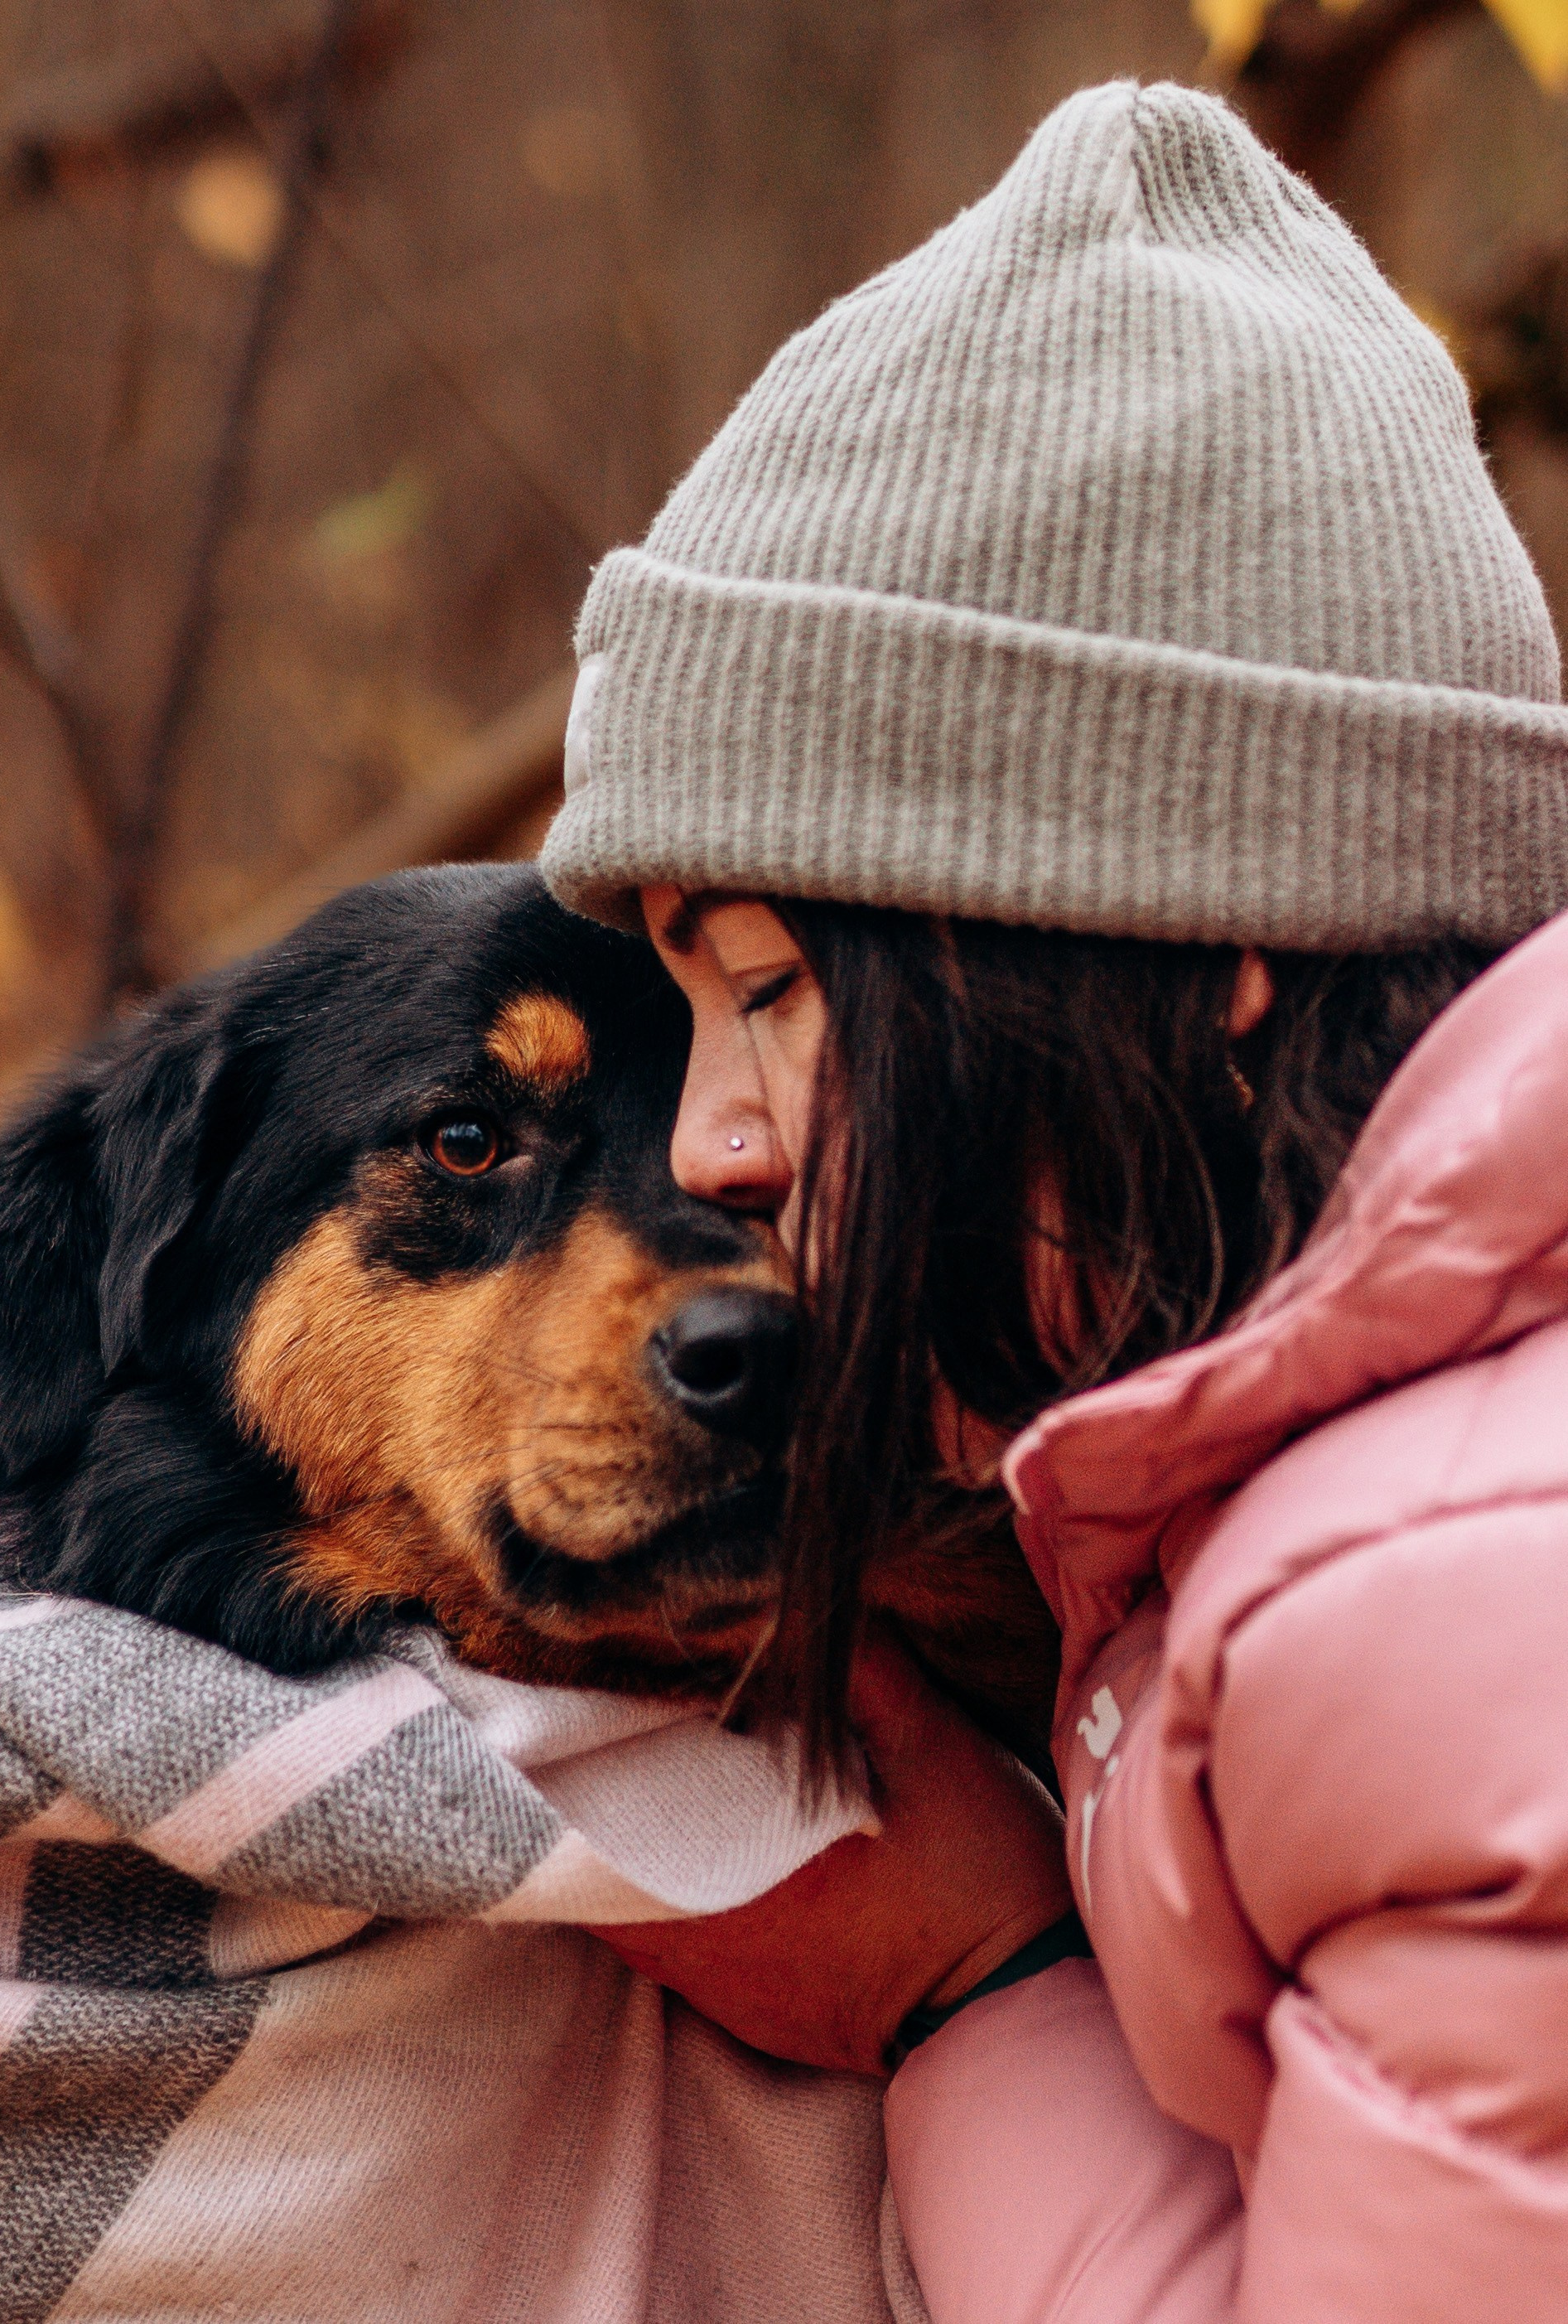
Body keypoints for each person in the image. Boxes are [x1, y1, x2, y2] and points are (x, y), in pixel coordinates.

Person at [540, 79, 1568, 2324]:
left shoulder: (1457, 1616)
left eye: (778, 990)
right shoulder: (1333, 1510)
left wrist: (970, 1981)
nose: (712, 1145)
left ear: (1210, 940)